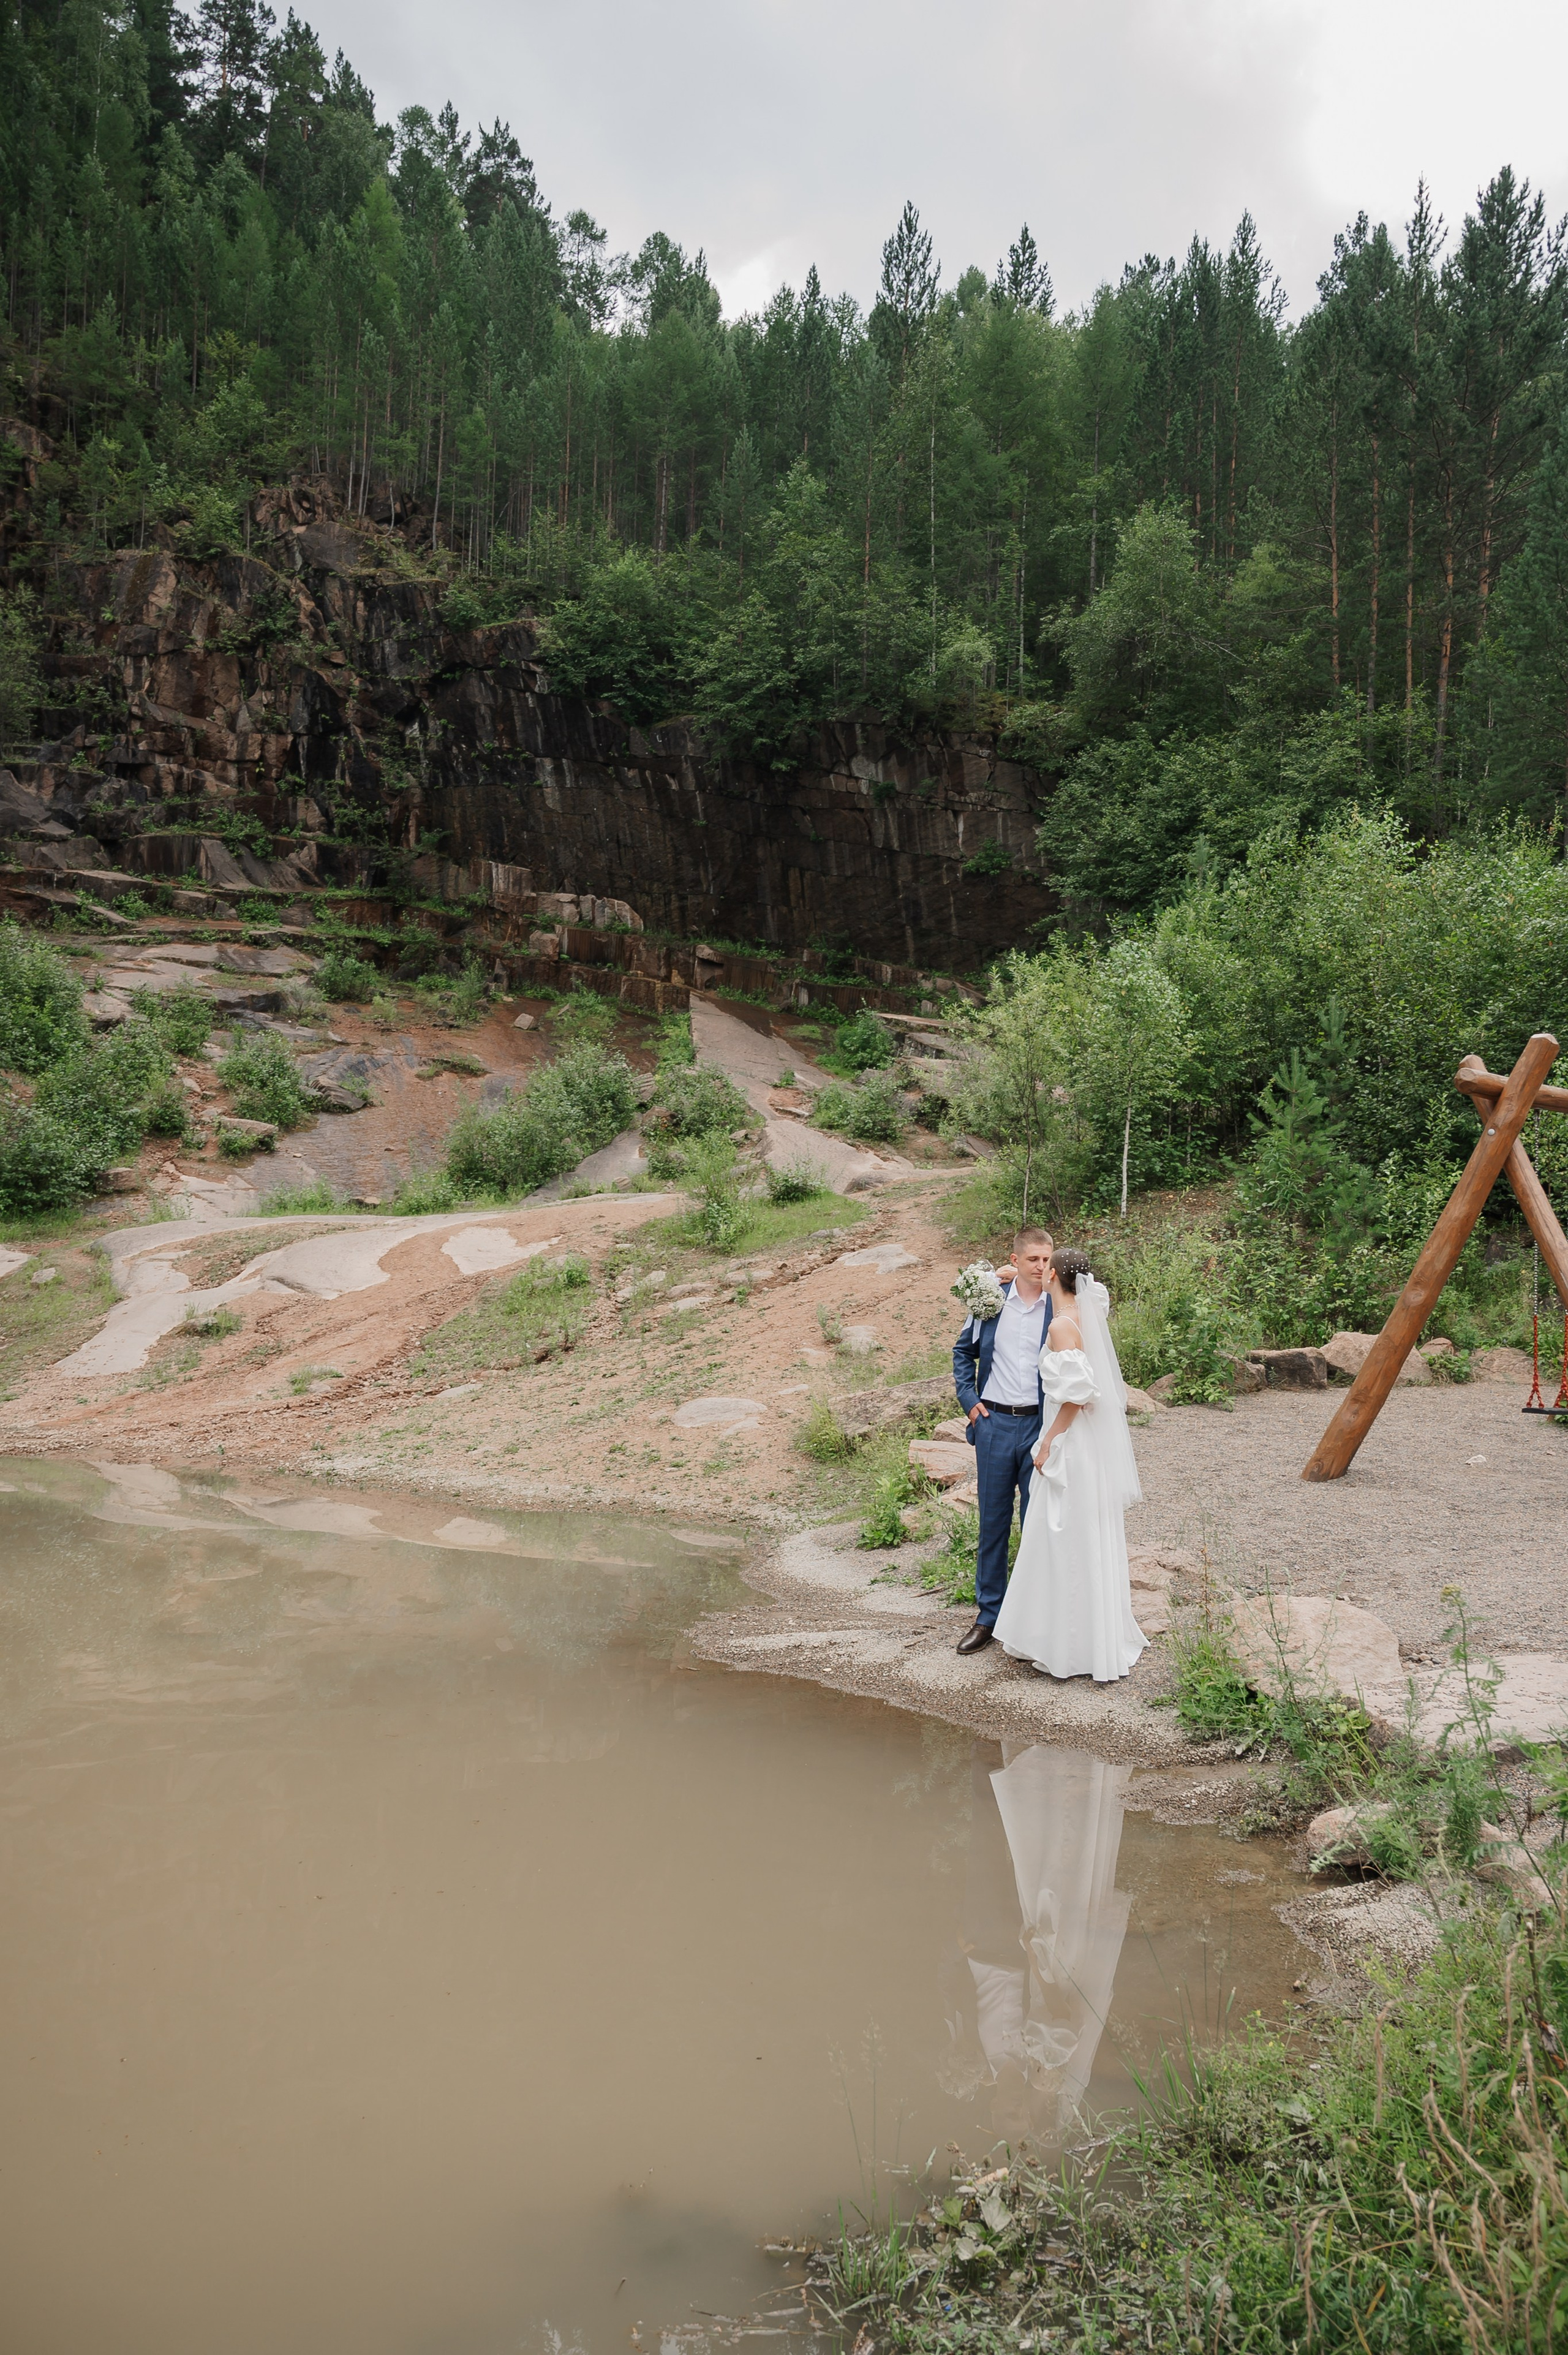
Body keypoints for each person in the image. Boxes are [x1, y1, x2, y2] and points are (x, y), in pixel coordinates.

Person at [992, 1246, 1147, 1683]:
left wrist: (1048, 1443)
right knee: (1079, 1532)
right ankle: (1077, 1634)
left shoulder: (1062, 1324)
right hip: (1088, 1444)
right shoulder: (1089, 1308)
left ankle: (1067, 1645)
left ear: (1055, 1274)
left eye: (1047, 1266)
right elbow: (1097, 1291)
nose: (1039, 1271)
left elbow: (1078, 1394)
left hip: (1070, 1442)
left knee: (1061, 1534)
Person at [951, 1227, 1054, 1656]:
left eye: (1047, 1260)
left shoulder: (1059, 1306)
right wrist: (971, 1403)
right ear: (1015, 1259)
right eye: (1033, 1260)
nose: (1041, 1268)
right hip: (993, 1424)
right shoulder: (990, 1304)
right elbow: (962, 1352)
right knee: (992, 1524)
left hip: (1038, 1428)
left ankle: (1030, 1620)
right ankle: (988, 1616)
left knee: (1036, 1527)